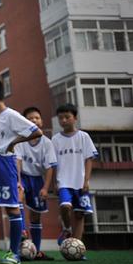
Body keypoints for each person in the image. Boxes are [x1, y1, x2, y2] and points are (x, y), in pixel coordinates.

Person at [0, 78, 42, 264]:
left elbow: (37, 132)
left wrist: (13, 143)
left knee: (12, 207)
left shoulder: (11, 115)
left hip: (5, 163)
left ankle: (14, 253)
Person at [52, 103, 98, 246]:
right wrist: (54, 182)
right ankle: (66, 229)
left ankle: (78, 246)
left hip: (80, 182)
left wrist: (86, 181)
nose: (63, 121)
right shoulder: (55, 139)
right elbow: (53, 163)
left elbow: (89, 160)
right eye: (60, 118)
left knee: (79, 214)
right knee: (65, 207)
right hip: (63, 182)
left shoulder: (84, 136)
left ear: (75, 118)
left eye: (67, 117)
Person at [14, 106, 58, 260]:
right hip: (23, 176)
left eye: (37, 118)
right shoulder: (20, 139)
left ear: (41, 121)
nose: (34, 120)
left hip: (37, 179)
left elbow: (50, 167)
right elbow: (17, 161)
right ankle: (22, 232)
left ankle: (37, 251)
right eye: (30, 118)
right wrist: (18, 181)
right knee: (18, 197)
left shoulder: (47, 143)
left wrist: (46, 188)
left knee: (36, 216)